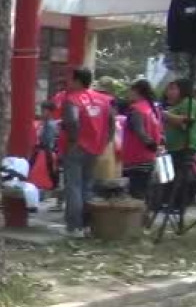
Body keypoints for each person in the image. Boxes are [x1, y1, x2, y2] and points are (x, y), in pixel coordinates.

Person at [58, 67, 114, 238]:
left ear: (77, 80)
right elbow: (111, 124)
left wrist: (73, 141)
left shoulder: (72, 99)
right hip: (95, 148)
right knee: (87, 186)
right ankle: (87, 224)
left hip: (77, 147)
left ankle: (74, 227)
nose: (68, 82)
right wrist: (104, 142)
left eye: (70, 79)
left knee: (73, 186)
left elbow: (72, 121)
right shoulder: (104, 100)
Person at [161, 79, 196, 212]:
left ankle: (178, 205)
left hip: (185, 145)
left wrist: (165, 114)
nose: (169, 92)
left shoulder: (189, 102)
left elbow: (186, 122)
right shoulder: (174, 106)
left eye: (173, 89)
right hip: (173, 146)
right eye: (169, 89)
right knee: (170, 175)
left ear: (183, 90)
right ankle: (169, 203)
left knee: (180, 177)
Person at [122, 80, 162, 201]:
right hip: (149, 157)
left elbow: (140, 132)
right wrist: (155, 146)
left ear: (136, 91)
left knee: (136, 195)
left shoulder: (136, 109)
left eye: (130, 90)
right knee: (144, 192)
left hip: (135, 157)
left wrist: (150, 144)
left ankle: (139, 213)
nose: (128, 93)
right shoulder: (153, 108)